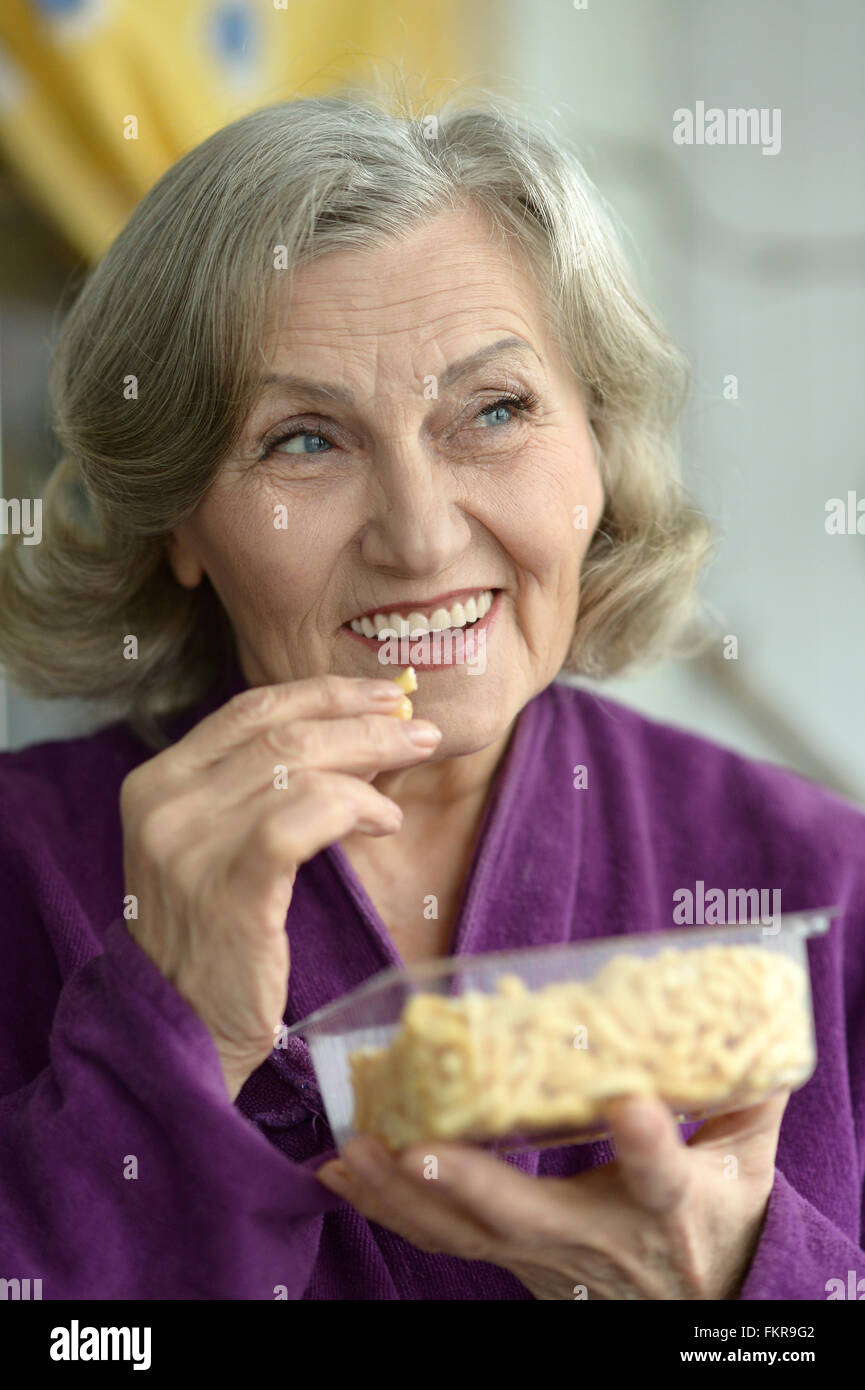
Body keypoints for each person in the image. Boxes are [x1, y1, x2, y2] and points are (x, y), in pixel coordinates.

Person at [1, 91, 863, 1301]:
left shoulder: (823, 881)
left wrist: (739, 1296)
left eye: (494, 411)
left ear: (601, 450)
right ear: (179, 520)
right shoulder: (23, 866)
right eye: (303, 439)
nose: (417, 537)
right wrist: (164, 1044)